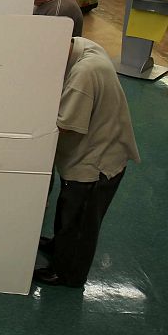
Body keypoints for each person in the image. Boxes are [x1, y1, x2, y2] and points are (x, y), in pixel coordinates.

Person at [34, 37, 140, 288]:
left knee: (80, 219)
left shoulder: (84, 72)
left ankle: (68, 274)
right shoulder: (82, 46)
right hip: (95, 146)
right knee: (68, 208)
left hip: (97, 162)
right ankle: (59, 246)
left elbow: (67, 126)